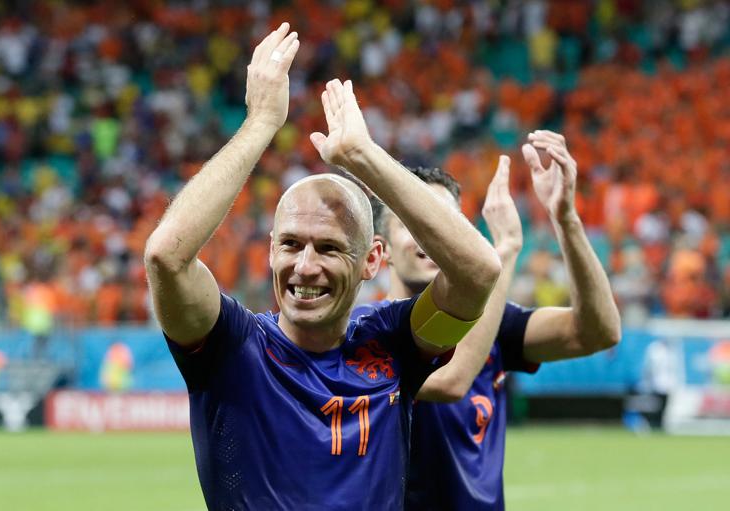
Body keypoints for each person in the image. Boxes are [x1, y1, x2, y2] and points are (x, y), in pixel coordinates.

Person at [143, 23, 501, 510]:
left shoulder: (394, 344)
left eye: (329, 249)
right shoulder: (231, 347)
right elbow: (166, 256)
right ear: (270, 250)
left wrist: (364, 157)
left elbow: (479, 271)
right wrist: (259, 125)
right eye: (290, 244)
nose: (304, 267)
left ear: (372, 259)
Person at [357, 133, 621, 510]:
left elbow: (599, 331)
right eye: (414, 222)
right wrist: (505, 252)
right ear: (381, 251)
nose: (432, 236)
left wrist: (566, 219)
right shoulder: (367, 333)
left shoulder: (498, 319)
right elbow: (452, 380)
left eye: (443, 221)